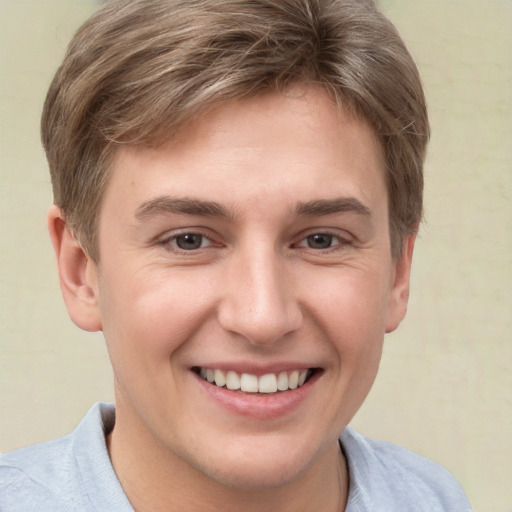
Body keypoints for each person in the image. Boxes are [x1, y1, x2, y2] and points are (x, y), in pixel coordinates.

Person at [0, 0, 472, 510]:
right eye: (188, 240)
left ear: (398, 274)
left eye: (321, 240)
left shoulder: (436, 499)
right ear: (80, 272)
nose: (262, 318)